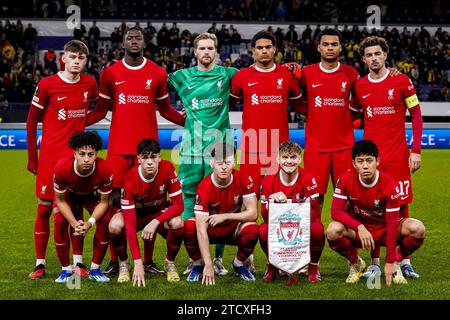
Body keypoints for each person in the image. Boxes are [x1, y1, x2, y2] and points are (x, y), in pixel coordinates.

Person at [86, 27, 185, 276]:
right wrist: (74, 122)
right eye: (129, 37)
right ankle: (116, 260)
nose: (133, 41)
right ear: (122, 43)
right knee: (112, 206)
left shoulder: (158, 73)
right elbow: (99, 111)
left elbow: (166, 110)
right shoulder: (109, 73)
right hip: (118, 150)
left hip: (147, 151)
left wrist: (193, 121)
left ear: (144, 42)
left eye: (138, 38)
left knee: (151, 204)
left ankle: (148, 261)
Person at [168, 33, 239, 277]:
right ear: (195, 52)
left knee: (220, 203)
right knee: (189, 201)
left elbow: (256, 79)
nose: (206, 52)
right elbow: (153, 88)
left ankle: (217, 259)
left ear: (216, 51)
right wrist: (178, 117)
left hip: (220, 149)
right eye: (202, 48)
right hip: (189, 150)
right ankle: (195, 259)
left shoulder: (229, 75)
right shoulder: (181, 76)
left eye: (210, 48)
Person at [27, 40, 98, 279]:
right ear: (63, 59)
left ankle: (77, 263)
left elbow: (100, 107)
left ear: (85, 61)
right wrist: (32, 158)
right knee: (45, 209)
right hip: (49, 158)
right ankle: (40, 263)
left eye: (82, 58)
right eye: (73, 56)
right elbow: (30, 122)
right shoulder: (47, 85)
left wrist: (82, 124)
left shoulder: (89, 82)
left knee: (75, 209)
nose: (77, 61)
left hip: (75, 160)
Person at [354, 36, 423, 278]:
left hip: (397, 157)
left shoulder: (402, 81)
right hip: (372, 160)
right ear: (364, 59)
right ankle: (374, 262)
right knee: (372, 210)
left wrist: (416, 151)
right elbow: (352, 114)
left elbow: (416, 115)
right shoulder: (360, 86)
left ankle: (404, 260)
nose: (373, 58)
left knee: (401, 209)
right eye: (369, 55)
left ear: (385, 55)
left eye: (377, 54)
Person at [326, 140, 425, 285]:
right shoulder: (346, 178)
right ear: (354, 164)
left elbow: (392, 224)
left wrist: (390, 260)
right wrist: (359, 226)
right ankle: (355, 263)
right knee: (332, 230)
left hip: (384, 230)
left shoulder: (389, 184)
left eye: (369, 160)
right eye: (360, 161)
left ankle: (397, 263)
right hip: (361, 232)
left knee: (418, 228)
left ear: (377, 161)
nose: (365, 166)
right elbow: (336, 212)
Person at [230, 30, 302, 197]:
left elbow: (300, 106)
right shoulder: (241, 76)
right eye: (259, 47)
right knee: (249, 198)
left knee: (279, 199)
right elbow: (229, 104)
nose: (264, 50)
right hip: (251, 147)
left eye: (268, 47)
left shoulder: (287, 75)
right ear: (253, 50)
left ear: (274, 49)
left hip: (279, 148)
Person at [108, 139, 184, 286]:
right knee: (115, 225)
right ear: (138, 159)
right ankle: (124, 263)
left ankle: (169, 262)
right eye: (145, 157)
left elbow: (179, 205)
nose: (150, 162)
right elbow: (130, 224)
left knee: (177, 223)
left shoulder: (167, 168)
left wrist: (156, 221)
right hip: (136, 215)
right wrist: (137, 262)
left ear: (160, 158)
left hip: (157, 213)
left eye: (153, 157)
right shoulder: (130, 177)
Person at [183, 143, 259, 285]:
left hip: (232, 229)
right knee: (189, 226)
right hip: (211, 229)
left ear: (234, 162)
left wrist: (225, 216)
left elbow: (253, 213)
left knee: (252, 228)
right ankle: (198, 265)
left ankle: (238, 264)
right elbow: (201, 229)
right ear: (212, 163)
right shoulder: (204, 188)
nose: (224, 167)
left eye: (228, 162)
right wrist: (208, 264)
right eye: (219, 163)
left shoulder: (243, 179)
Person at [259, 141, 324, 282]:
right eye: (285, 158)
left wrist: (285, 203)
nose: (289, 161)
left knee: (317, 228)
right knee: (263, 230)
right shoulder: (268, 180)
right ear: (278, 159)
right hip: (278, 225)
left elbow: (313, 212)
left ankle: (313, 267)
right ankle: (272, 265)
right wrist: (271, 200)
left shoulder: (309, 178)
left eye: (293, 157)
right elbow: (265, 215)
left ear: (300, 159)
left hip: (302, 224)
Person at [53, 131, 113, 283]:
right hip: (68, 196)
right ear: (74, 153)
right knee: (59, 220)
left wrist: (89, 223)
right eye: (82, 154)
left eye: (91, 154)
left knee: (106, 219)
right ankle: (65, 270)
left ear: (96, 154)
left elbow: (104, 202)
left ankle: (95, 269)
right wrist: (74, 223)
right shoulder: (61, 168)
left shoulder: (105, 169)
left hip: (91, 196)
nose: (86, 159)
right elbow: (59, 201)